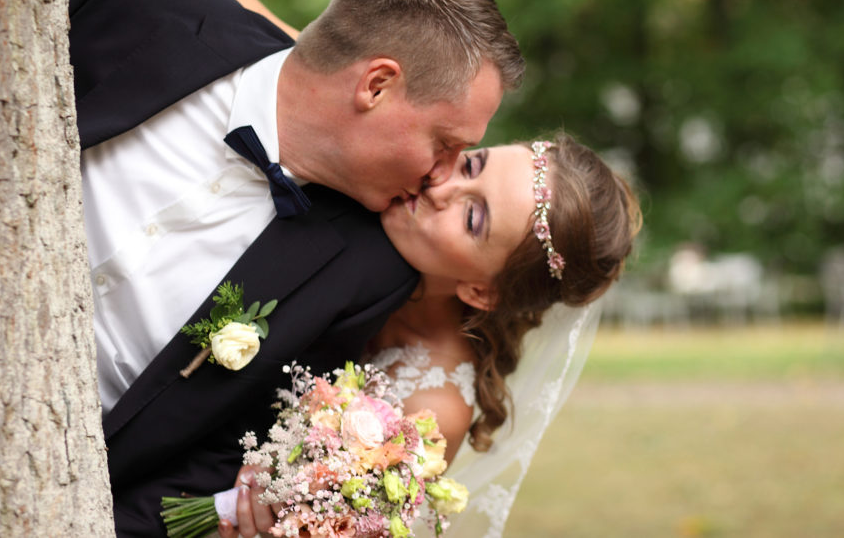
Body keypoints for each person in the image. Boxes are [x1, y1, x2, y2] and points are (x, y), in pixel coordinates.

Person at [61, 0, 524, 536]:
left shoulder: (362, 272)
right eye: (447, 145)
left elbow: (205, 468)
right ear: (377, 85)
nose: (440, 177)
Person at [220, 135, 641, 537]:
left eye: (472, 217)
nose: (441, 185)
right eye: (471, 164)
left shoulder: (432, 406)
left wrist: (271, 496)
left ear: (483, 291)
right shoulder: (361, 197)